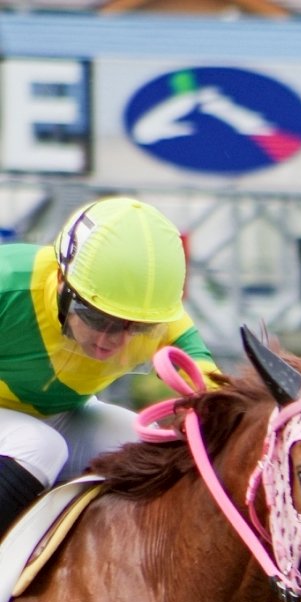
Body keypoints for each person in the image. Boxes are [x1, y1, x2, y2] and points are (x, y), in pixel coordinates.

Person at [0, 197, 214, 536]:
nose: (113, 340)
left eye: (139, 327)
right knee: (38, 445)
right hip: (26, 426)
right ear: (60, 283)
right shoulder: (8, 283)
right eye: (98, 318)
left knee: (153, 449)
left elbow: (212, 390)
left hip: (60, 412)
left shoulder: (161, 315)